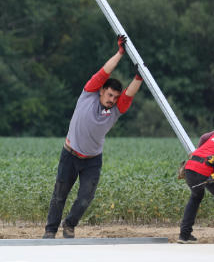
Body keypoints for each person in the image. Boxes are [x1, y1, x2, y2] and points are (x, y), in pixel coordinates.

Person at [44, 36, 143, 239]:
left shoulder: (116, 110)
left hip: (92, 161)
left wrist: (140, 76)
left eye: (115, 97)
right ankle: (50, 230)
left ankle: (69, 225)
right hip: (70, 155)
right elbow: (104, 72)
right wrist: (120, 54)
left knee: (85, 198)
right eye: (109, 95)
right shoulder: (88, 94)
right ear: (101, 91)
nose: (112, 100)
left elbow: (129, 95)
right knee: (59, 195)